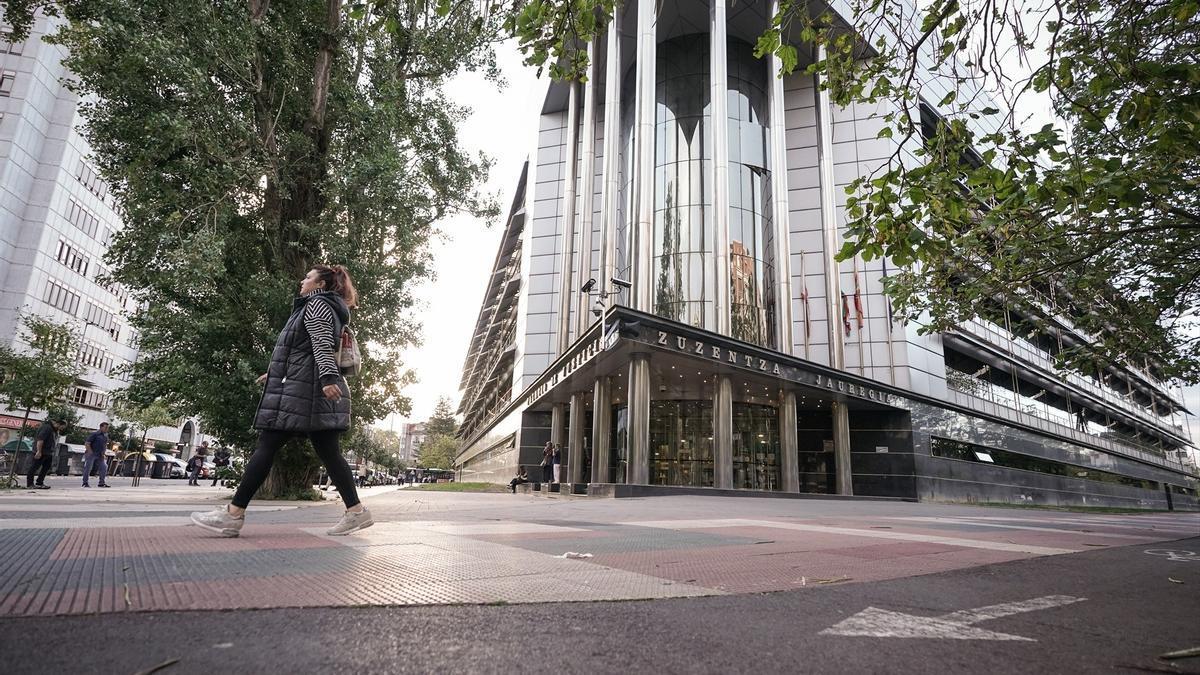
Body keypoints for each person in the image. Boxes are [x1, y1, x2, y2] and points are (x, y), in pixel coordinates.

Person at [191, 264, 373, 537]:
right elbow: (302, 350)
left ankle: (233, 515)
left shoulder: (318, 305)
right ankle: (357, 512)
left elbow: (322, 344)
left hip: (308, 392)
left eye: (308, 277)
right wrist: (275, 372)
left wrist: (327, 379)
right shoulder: (318, 306)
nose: (303, 280)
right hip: (306, 389)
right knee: (328, 453)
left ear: (321, 285)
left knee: (268, 444)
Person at [26, 419, 65, 490]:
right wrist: (38, 451)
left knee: (46, 467)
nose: (61, 429)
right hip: (42, 451)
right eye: (62, 427)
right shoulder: (47, 428)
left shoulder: (53, 430)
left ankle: (39, 482)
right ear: (58, 424)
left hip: (48, 452)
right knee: (34, 467)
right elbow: (40, 440)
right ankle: (30, 484)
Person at [82, 422, 112, 488]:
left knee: (104, 467)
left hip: (100, 455)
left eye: (107, 428)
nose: (107, 429)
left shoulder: (105, 436)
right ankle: (85, 483)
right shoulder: (95, 434)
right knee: (88, 468)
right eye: (105, 427)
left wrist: (103, 453)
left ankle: (101, 483)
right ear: (101, 427)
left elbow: (104, 446)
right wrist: (90, 452)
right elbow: (87, 443)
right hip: (92, 453)